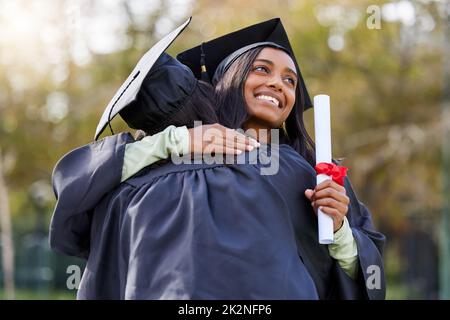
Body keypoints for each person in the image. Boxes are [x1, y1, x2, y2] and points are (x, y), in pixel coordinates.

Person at [50, 18, 385, 299]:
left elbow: (365, 275)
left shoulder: (311, 177)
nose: (277, 84)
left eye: (290, 80)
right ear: (228, 80)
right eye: (261, 69)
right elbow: (87, 201)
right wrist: (177, 140)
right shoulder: (160, 164)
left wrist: (338, 229)